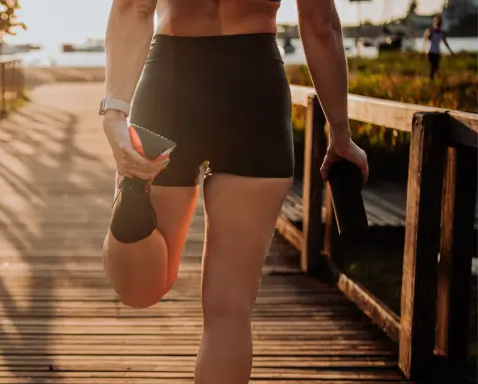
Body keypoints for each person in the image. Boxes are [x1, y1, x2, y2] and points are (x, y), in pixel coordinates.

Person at [99, 0, 369, 383]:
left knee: (139, 290)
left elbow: (133, 9)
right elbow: (321, 27)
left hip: (170, 86)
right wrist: (340, 135)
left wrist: (114, 113)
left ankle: (132, 198)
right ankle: (133, 199)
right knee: (229, 312)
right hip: (254, 91)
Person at [423, 15, 454, 80]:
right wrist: (424, 50)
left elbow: (445, 43)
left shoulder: (441, 33)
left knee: (435, 67)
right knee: (434, 66)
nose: (438, 25)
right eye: (437, 23)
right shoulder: (431, 31)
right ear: (435, 23)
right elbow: (426, 39)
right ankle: (432, 79)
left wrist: (451, 52)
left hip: (437, 53)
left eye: (439, 24)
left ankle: (434, 78)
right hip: (431, 52)